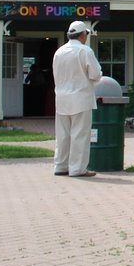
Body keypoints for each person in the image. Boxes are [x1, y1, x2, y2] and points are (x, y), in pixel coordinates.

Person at [52, 20, 103, 177]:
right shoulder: (85, 51)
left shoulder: (59, 52)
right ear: (82, 35)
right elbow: (96, 74)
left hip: (61, 97)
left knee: (62, 134)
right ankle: (77, 168)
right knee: (80, 134)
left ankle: (61, 165)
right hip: (81, 97)